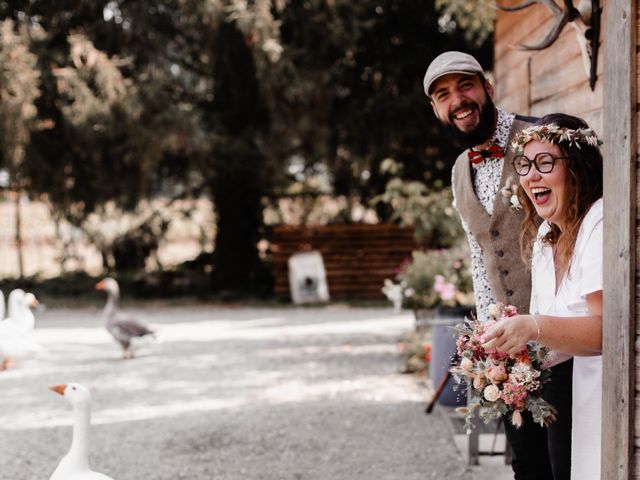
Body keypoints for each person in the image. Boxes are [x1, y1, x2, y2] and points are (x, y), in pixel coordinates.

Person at [424, 51, 572, 479]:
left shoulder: (540, 140)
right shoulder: (458, 171)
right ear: (436, 110)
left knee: (566, 461)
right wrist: (487, 333)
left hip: (563, 337)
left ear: (487, 88)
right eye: (443, 95)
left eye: (465, 86)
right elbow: (479, 251)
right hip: (510, 350)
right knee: (525, 464)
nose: (458, 100)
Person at [481, 113, 603, 480]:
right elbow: (544, 330)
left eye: (545, 162)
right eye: (525, 164)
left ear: (578, 168)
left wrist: (532, 327)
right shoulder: (547, 234)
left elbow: (605, 332)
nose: (531, 176)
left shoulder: (599, 221)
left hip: (598, 395)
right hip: (559, 391)